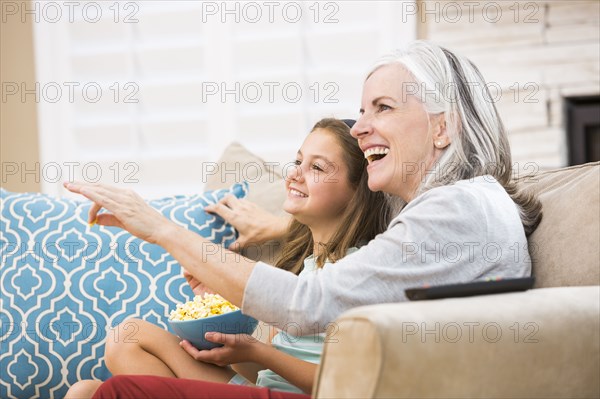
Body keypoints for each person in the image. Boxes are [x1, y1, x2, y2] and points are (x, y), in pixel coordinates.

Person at [64, 40, 542, 398]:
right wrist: (280, 232)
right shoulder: (456, 208)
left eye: (383, 108)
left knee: (117, 391)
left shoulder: (456, 206)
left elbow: (308, 303)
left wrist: (162, 228)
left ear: (444, 127)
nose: (360, 127)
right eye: (361, 111)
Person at [64, 118, 394, 398]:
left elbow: (348, 384)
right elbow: (264, 372)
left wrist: (259, 351)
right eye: (298, 162)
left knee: (115, 377)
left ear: (358, 192)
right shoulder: (308, 266)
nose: (295, 174)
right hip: (267, 388)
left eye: (317, 167)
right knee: (93, 380)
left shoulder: (358, 273)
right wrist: (230, 332)